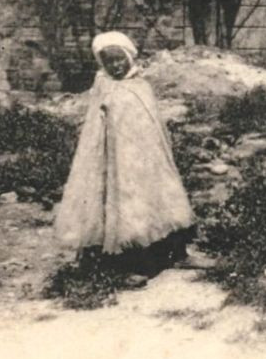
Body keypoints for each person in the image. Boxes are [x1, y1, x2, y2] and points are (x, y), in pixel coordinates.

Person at [54, 31, 195, 285]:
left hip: (149, 160)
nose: (116, 66)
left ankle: (174, 253)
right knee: (127, 211)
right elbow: (95, 131)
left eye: (119, 59)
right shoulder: (104, 87)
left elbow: (154, 125)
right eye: (109, 62)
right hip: (117, 163)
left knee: (161, 200)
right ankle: (131, 264)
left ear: (129, 56)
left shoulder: (141, 85)